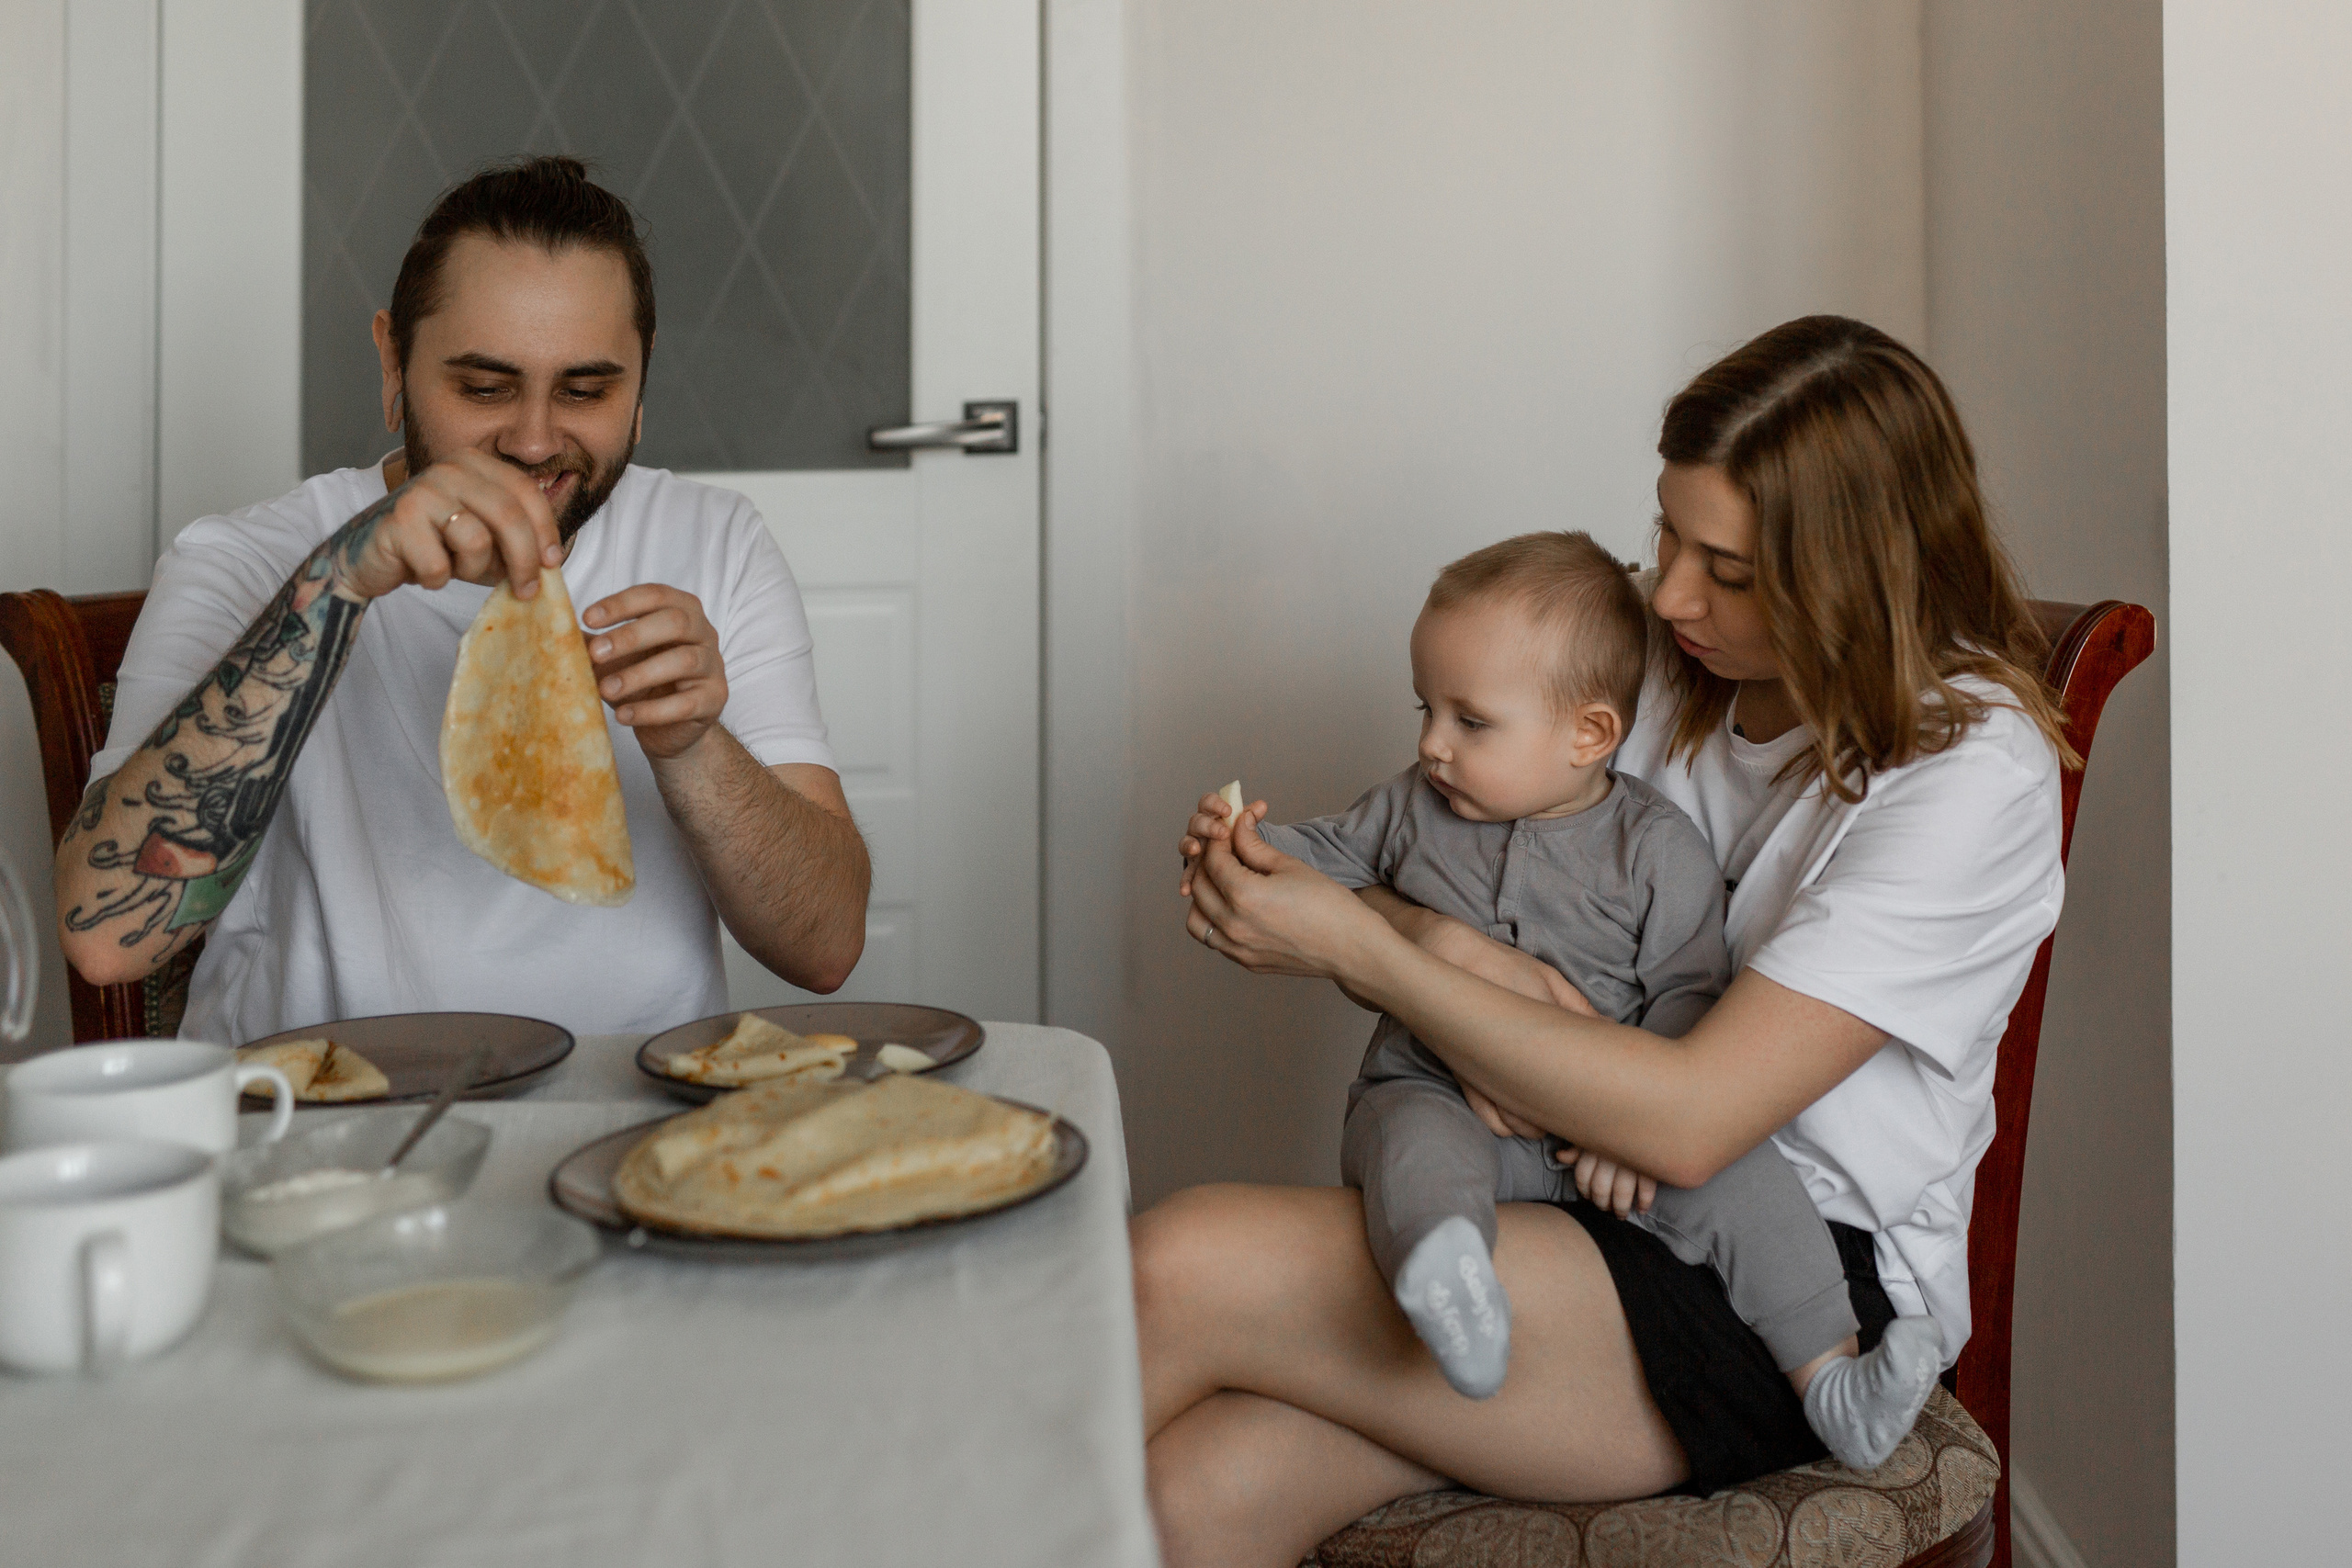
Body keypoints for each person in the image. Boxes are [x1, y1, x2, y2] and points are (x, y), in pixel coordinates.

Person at [1141, 315, 2071, 1567]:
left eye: (1729, 570)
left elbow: (1688, 1118)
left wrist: (1371, 952)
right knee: (1196, 1489)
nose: (1672, 592)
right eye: (1667, 535)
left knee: (1180, 1260)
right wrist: (1453, 953)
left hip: (1782, 1287)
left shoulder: (1969, 772)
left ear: (1859, 572)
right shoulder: (1656, 664)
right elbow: (1443, 841)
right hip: (1571, 1192)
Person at [53, 157, 871, 1041]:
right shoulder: (245, 559)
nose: (532, 440)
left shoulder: (717, 543)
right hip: (330, 1121)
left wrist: (693, 745)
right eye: (483, 387)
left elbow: (824, 948)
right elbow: (105, 939)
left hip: (635, 1120)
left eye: (587, 389)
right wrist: (339, 584)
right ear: (392, 362)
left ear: (643, 381)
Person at [1184, 530, 1942, 1465]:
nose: (1430, 745)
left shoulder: (1655, 848)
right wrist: (1242, 848)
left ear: (1587, 734)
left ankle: (1829, 1375)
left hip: (1613, 1147)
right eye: (1426, 709)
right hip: (1446, 1098)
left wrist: (1630, 1129)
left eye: (1470, 722)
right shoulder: (1407, 807)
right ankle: (1447, 1277)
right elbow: (1317, 860)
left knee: (1750, 1188)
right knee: (1409, 1144)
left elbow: (1684, 997)